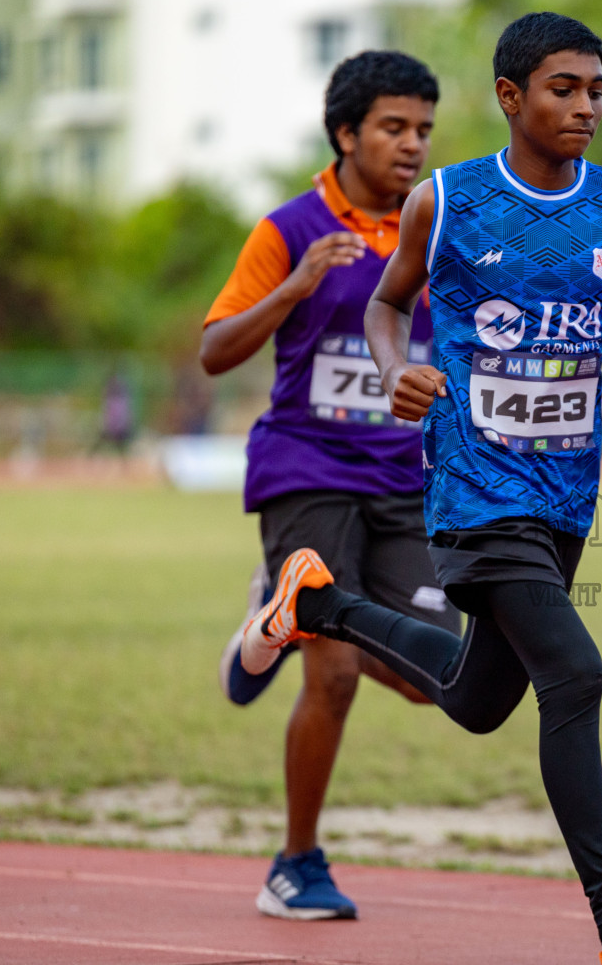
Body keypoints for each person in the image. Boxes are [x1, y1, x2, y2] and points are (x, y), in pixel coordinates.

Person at [238, 13, 602, 964]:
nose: (584, 105)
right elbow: (387, 302)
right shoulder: (449, 202)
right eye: (563, 88)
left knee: (473, 697)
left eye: (596, 89)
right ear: (511, 97)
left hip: (566, 490)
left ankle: (321, 603)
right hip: (473, 482)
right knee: (574, 674)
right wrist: (391, 370)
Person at [201, 50, 461, 921]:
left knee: (439, 677)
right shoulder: (288, 228)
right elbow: (215, 350)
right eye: (393, 127)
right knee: (337, 670)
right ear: (346, 133)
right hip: (307, 468)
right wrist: (298, 285)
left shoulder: (441, 233)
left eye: (423, 129)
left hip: (402, 477)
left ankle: (270, 615)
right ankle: (296, 864)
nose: (412, 144)